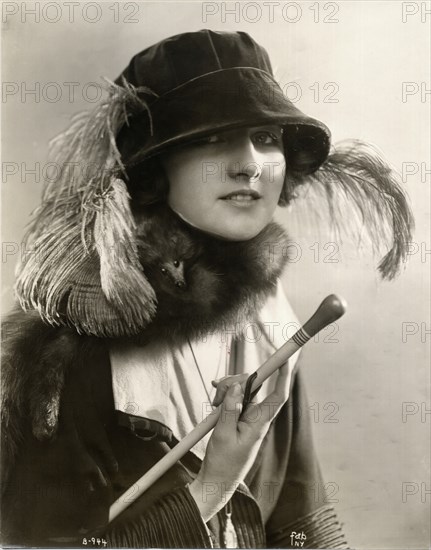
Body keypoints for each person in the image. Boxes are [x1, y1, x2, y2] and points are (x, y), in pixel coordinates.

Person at [1, 30, 413, 548]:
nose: (248, 165)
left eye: (266, 139)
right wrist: (212, 486)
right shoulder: (68, 351)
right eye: (212, 138)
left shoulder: (274, 322)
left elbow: (300, 524)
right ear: (154, 171)